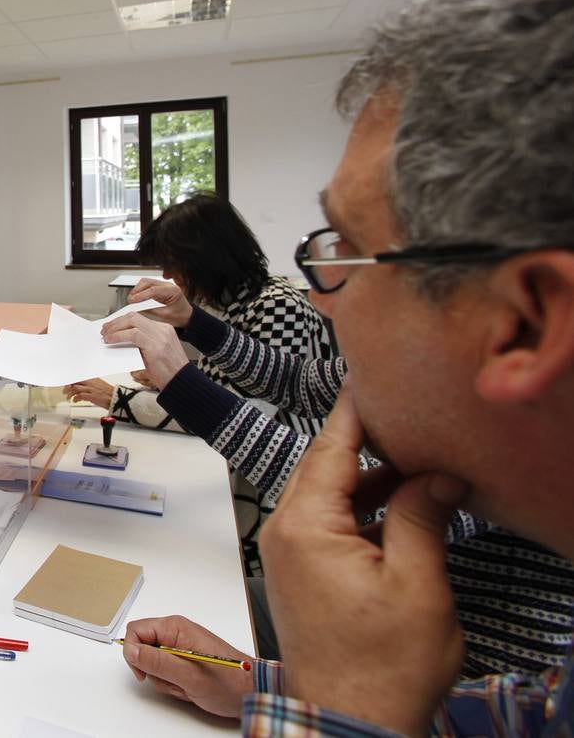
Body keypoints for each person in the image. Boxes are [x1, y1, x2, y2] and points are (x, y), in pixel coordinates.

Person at [109, 0, 574, 734]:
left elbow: (346, 506)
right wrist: (261, 689)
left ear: (526, 326)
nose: (324, 297)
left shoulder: (457, 484)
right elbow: (492, 715)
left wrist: (339, 715)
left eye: (348, 253)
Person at [108, 277, 573, 676]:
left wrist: (182, 383)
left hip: (436, 681)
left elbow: (353, 503)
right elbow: (298, 382)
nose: (319, 297)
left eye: (359, 254)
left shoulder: (528, 428)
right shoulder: (431, 354)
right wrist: (193, 322)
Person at [64, 193, 332, 442]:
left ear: (206, 259)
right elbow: (223, 382)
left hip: (285, 476)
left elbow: (240, 418)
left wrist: (116, 399)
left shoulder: (280, 307)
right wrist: (169, 375)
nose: (168, 275)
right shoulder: (231, 300)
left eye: (172, 263)